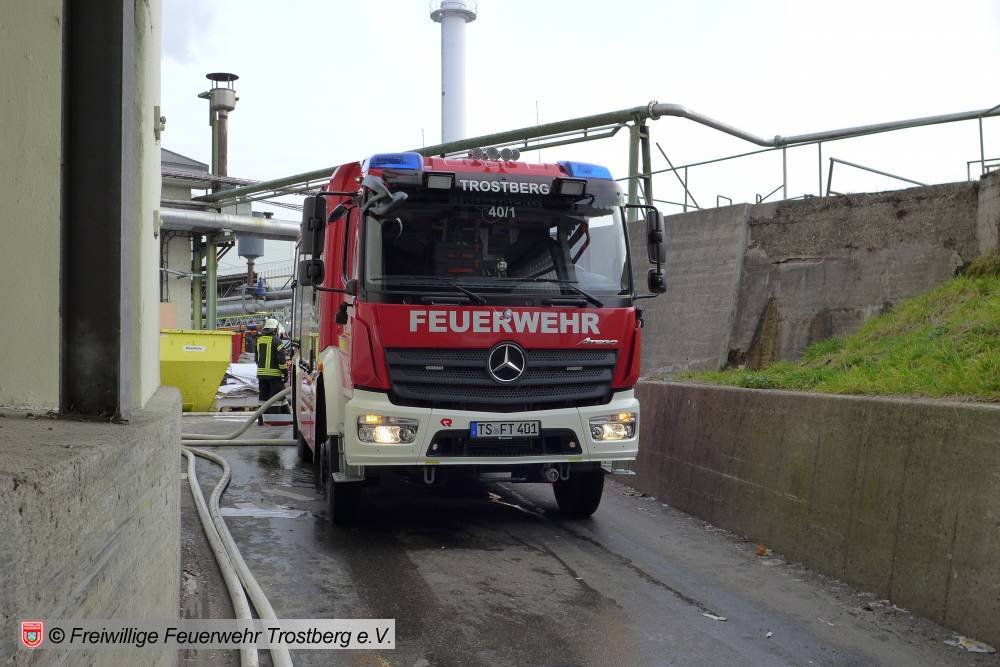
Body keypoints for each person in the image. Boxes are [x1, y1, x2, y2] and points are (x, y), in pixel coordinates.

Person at [255, 318, 288, 425]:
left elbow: (257, 358)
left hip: (261, 375)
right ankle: (276, 420)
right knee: (274, 399)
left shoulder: (259, 340)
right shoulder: (277, 341)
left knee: (263, 398)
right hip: (274, 376)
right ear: (275, 330)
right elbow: (281, 360)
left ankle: (261, 420)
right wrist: (285, 373)